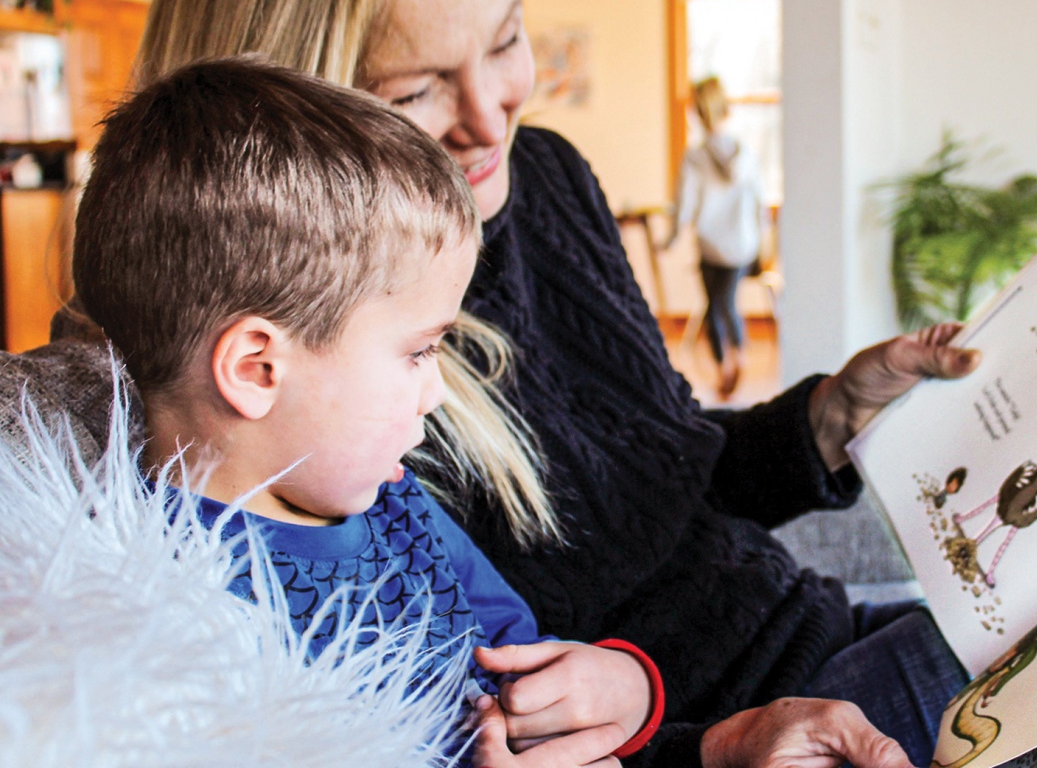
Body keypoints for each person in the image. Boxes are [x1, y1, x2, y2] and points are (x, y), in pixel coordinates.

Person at [38, 0, 1037, 764]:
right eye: (409, 95)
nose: (486, 118)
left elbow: (672, 470)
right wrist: (663, 706)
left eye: (506, 41)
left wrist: (826, 416)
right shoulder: (309, 387)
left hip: (829, 632)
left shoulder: (546, 178)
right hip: (767, 714)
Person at [69, 57, 665, 767]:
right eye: (418, 353)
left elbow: (520, 660)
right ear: (258, 369)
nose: (437, 391)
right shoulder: (165, 611)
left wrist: (621, 688)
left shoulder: (392, 503)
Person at [664, 76, 768, 398]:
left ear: (697, 112)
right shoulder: (745, 154)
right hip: (742, 244)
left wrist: (670, 238)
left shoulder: (695, 158)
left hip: (712, 245)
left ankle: (725, 364)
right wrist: (762, 242)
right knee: (728, 303)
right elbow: (759, 204)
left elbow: (685, 204)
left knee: (715, 304)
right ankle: (739, 356)